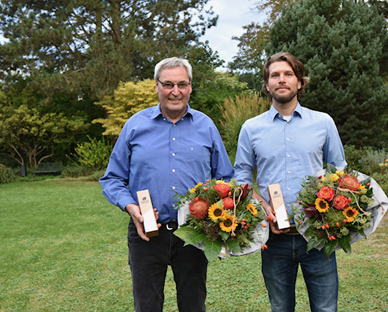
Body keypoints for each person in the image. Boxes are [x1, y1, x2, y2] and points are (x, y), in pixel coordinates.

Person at [100, 57, 234, 312]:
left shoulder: (206, 126)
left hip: (194, 233)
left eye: (182, 84)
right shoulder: (135, 126)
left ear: (191, 87)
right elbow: (112, 178)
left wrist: (219, 214)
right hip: (146, 234)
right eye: (168, 84)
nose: (175, 91)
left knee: (193, 305)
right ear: (157, 86)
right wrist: (131, 207)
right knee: (147, 306)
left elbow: (225, 179)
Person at [234, 52, 347, 312]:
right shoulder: (251, 128)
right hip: (273, 240)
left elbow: (338, 171)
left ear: (299, 82)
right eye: (275, 75)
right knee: (280, 308)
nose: (281, 80)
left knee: (326, 308)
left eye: (288, 74)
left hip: (319, 236)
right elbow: (242, 179)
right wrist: (263, 207)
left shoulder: (323, 122)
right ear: (266, 85)